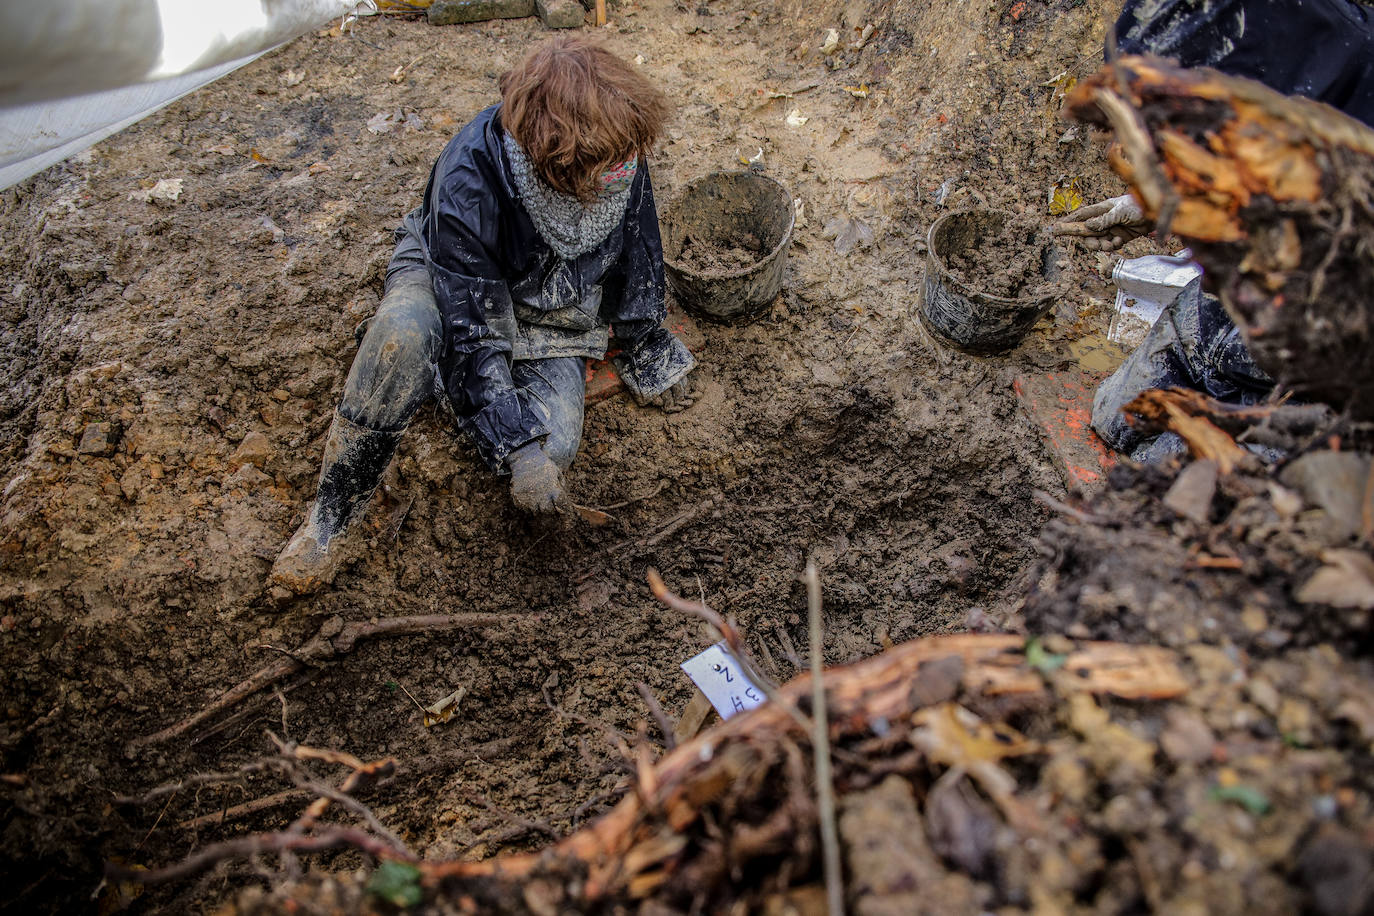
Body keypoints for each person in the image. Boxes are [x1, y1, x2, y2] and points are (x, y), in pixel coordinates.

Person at [270, 37, 697, 594]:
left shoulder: (613, 151)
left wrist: (645, 339)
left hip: (552, 306)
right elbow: (472, 323)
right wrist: (514, 449)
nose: (624, 172)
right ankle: (330, 518)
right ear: (557, 159)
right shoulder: (469, 176)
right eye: (608, 166)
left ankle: (444, 381)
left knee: (555, 449)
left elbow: (638, 240)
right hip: (449, 277)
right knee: (402, 338)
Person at [1057, 0, 1374, 460]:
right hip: (1216, 318)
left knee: (1163, 487)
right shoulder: (1264, 31)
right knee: (1112, 418)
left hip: (1318, 389)